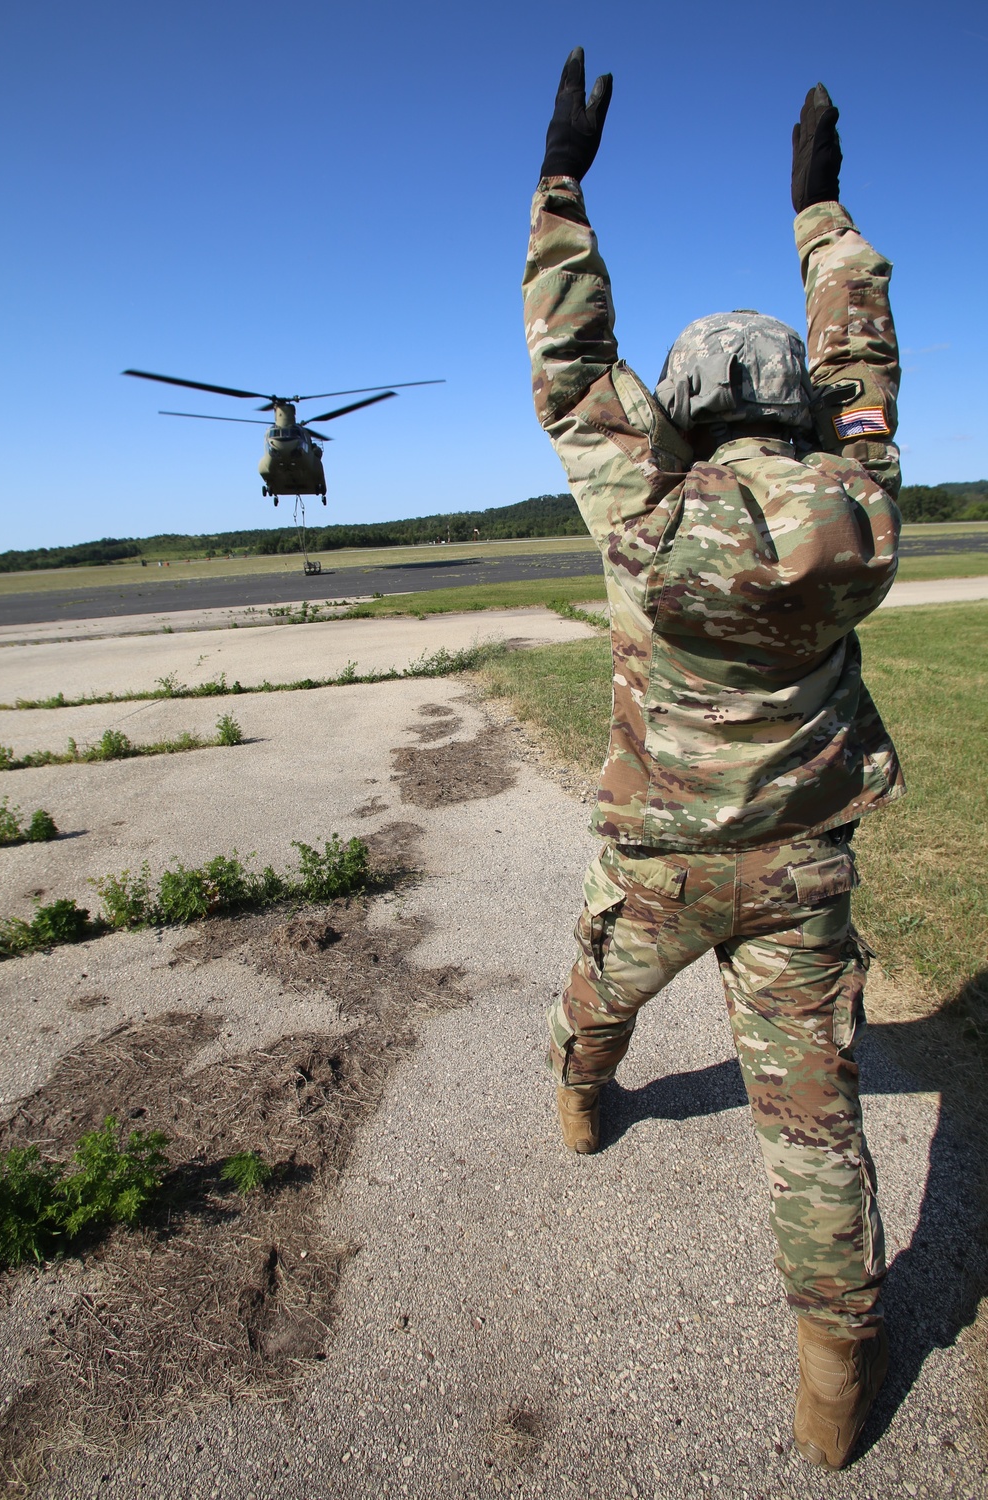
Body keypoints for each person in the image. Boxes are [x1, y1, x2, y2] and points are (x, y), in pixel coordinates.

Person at [523, 51, 905, 1471]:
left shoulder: (644, 501)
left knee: (592, 996)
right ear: (797, 403)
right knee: (814, 1134)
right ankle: (832, 1383)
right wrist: (824, 216)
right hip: (801, 880)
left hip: (658, 867)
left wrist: (563, 188)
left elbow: (570, 369)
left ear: (680, 402)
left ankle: (579, 1101)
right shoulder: (855, 511)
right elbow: (866, 372)